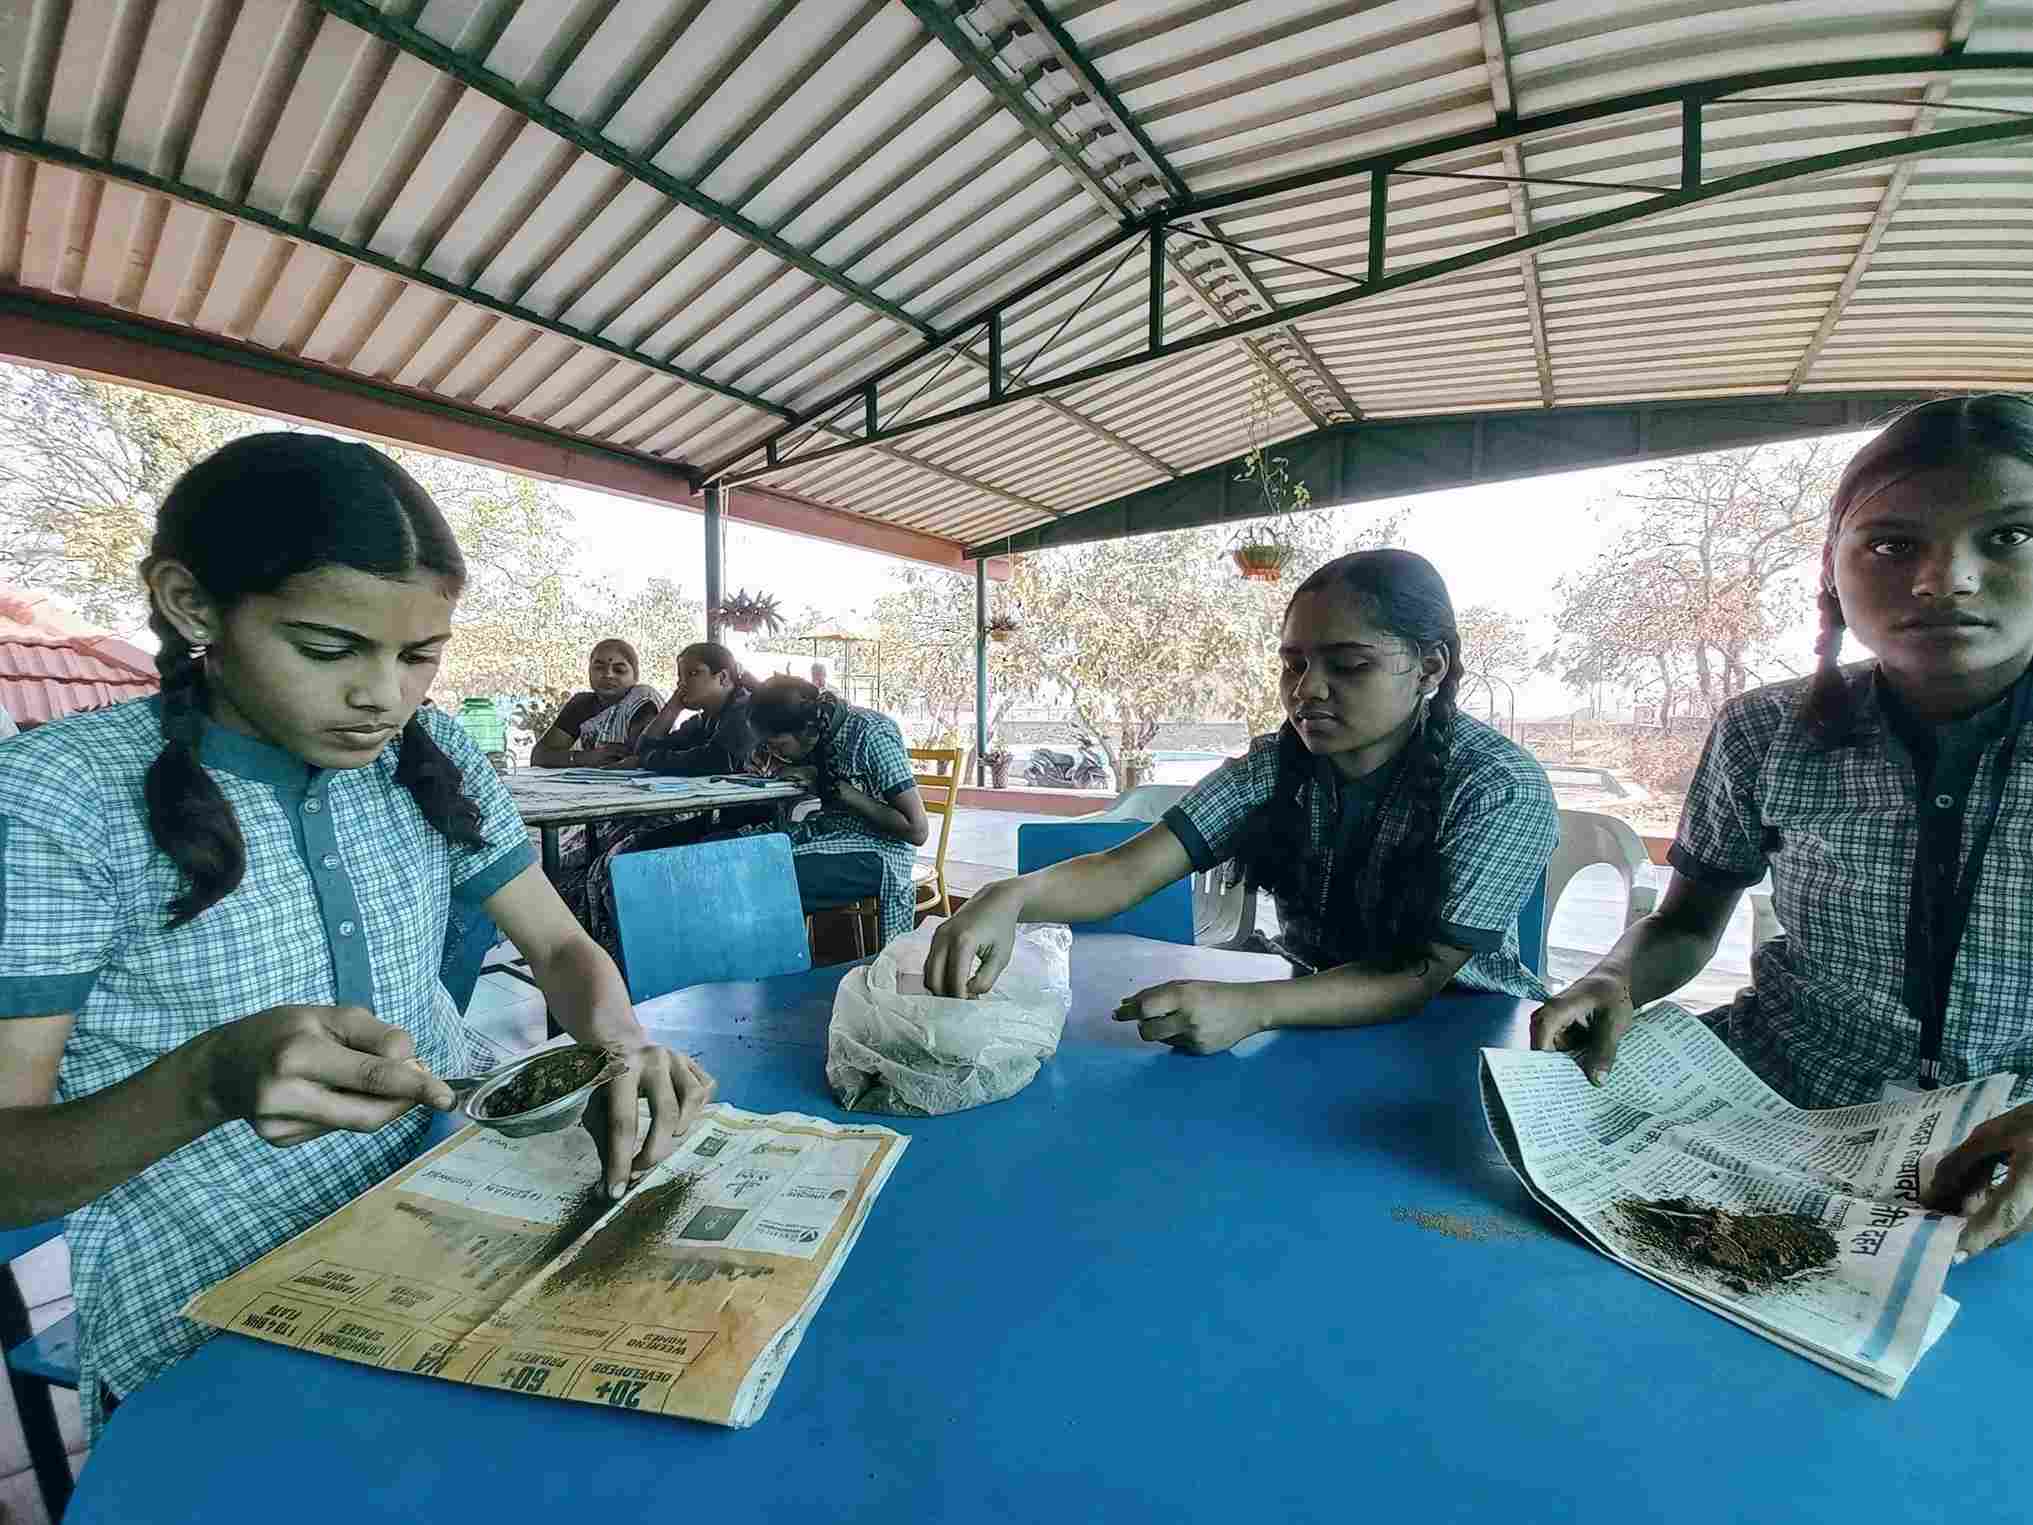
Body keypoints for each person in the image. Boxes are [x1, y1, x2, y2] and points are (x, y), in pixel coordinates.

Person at [0, 434, 714, 1432]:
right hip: (212, 1308)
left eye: (420, 655)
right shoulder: (58, 800)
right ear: (191, 602)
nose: (383, 694)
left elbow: (559, 950)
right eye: (329, 648)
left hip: (463, 1206)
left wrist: (621, 1049)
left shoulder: (431, 754)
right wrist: (205, 1084)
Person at [1529, 394, 2033, 1260]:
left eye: (2009, 536)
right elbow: (1686, 923)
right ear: (1831, 568)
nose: (1941, 578)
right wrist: (1614, 980)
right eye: (1890, 544)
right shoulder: (1765, 731)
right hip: (1774, 1101)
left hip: (2004, 1142)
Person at [925, 549, 1558, 1054]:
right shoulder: (1277, 767)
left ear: (1431, 668)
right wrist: (1008, 897)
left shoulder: (1499, 788)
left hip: (1467, 1039)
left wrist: (1251, 1006)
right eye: (1293, 664)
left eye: (1350, 665)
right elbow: (1128, 870)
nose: (1308, 690)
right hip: (1314, 1024)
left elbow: (1415, 977)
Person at [750, 676, 929, 944]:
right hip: (831, 835)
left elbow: (917, 830)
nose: (776, 752)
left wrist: (840, 790)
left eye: (778, 745)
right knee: (733, 855)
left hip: (882, 851)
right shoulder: (817, 734)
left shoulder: (871, 733)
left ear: (808, 729)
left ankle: (776, 975)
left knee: (767, 878)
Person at [625, 642, 762, 776]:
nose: (681, 683)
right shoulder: (704, 719)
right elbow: (644, 748)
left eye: (693, 673)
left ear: (722, 677)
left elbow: (717, 761)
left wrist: (646, 760)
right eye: (679, 676)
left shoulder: (746, 710)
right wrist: (673, 707)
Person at [529, 639, 664, 767]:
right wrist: (584, 758)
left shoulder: (642, 700)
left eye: (619, 670)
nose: (608, 675)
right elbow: (539, 757)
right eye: (599, 668)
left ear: (635, 676)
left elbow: (636, 756)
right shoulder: (581, 704)